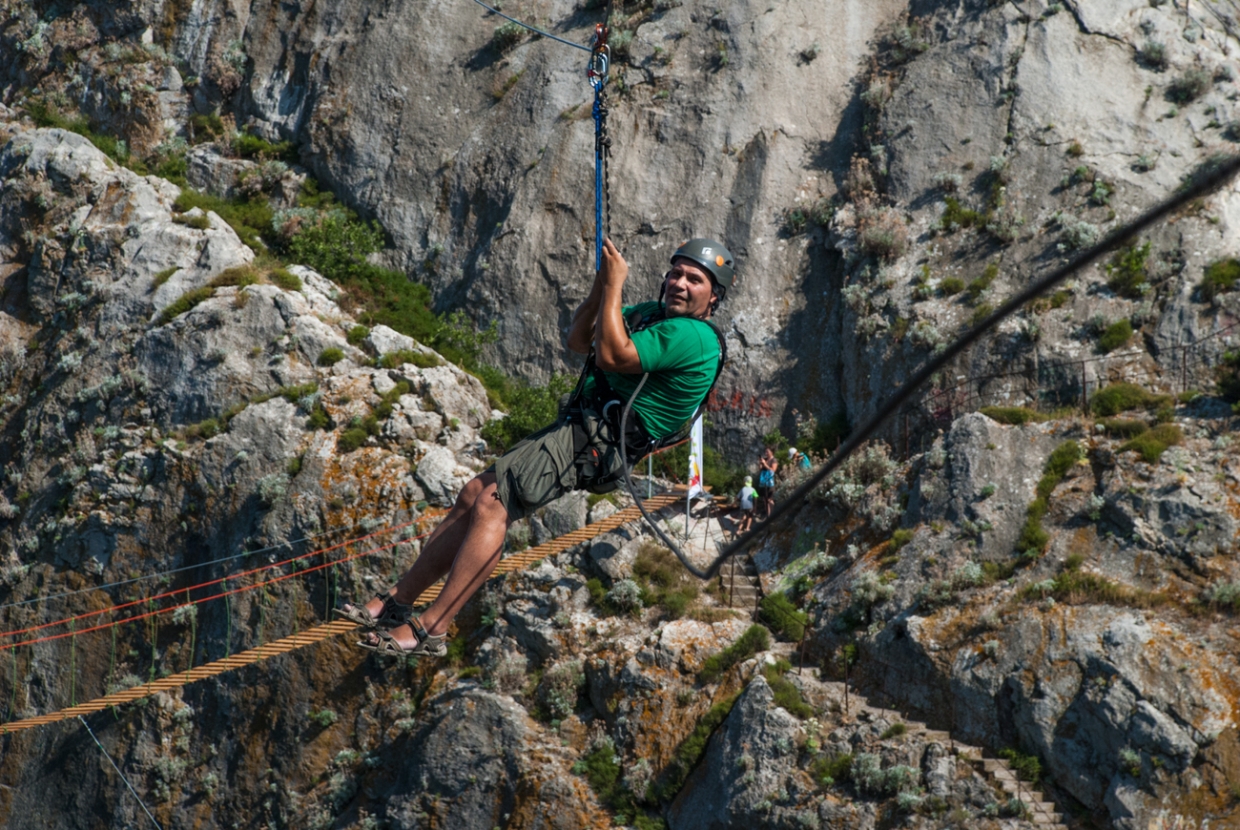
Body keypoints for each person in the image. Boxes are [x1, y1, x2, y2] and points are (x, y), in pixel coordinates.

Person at [338, 237, 736, 656]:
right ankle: (397, 600)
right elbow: (580, 342)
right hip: (581, 428)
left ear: (714, 296)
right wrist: (601, 289)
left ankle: (432, 626)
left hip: (597, 442)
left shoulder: (695, 336)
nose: (679, 283)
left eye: (695, 279)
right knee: (474, 493)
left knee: (495, 504)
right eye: (676, 272)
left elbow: (613, 357)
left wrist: (616, 286)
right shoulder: (653, 315)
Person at [757, 445, 778, 519]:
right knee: (765, 499)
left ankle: (771, 515)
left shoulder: (774, 460)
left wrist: (765, 464)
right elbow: (760, 470)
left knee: (770, 499)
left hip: (770, 482)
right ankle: (767, 514)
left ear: (771, 452)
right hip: (763, 482)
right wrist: (760, 463)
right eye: (765, 451)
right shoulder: (765, 459)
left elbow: (772, 471)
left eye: (767, 451)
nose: (766, 453)